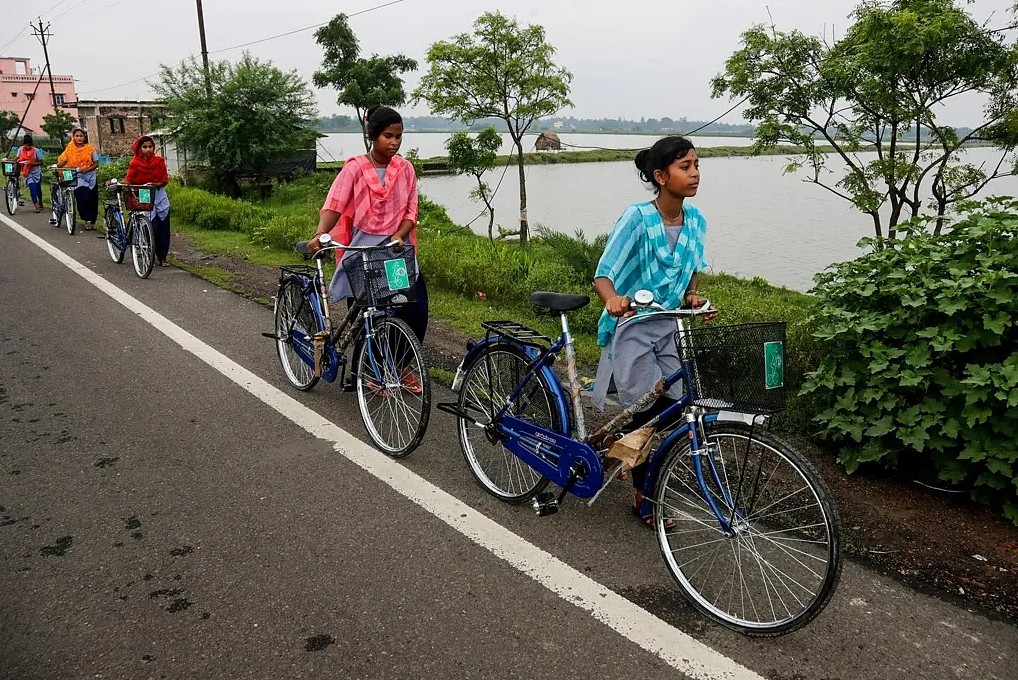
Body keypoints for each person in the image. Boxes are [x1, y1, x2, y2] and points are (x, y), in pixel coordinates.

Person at [591, 135, 709, 528]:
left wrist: (692, 296)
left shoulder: (697, 220)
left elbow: (691, 268)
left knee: (677, 406)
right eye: (685, 167)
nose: (694, 174)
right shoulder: (637, 218)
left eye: (696, 165)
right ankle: (645, 496)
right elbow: (603, 274)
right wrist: (613, 299)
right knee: (650, 410)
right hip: (633, 325)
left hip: (671, 324)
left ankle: (612, 441)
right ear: (661, 176)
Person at [308, 105, 428, 388]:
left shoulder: (406, 169)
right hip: (362, 249)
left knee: (411, 308)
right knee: (366, 313)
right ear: (373, 135)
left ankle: (397, 366)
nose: (394, 142)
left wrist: (400, 234)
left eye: (399, 136)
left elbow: (411, 211)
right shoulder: (355, 168)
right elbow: (335, 205)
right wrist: (320, 234)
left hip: (395, 251)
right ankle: (370, 369)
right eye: (388, 136)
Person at [124, 135, 171, 266]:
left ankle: (162, 257)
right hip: (143, 193)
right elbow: (129, 179)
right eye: (145, 147)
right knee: (149, 225)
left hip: (158, 193)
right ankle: (147, 251)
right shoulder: (135, 163)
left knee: (163, 227)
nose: (148, 149)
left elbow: (164, 180)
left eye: (150, 147)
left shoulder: (159, 161)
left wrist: (155, 184)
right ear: (139, 149)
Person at [57, 127, 100, 230]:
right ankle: (86, 220)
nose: (79, 138)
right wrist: (57, 166)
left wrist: (86, 170)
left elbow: (96, 164)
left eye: (81, 136)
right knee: (83, 197)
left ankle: (93, 221)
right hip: (77, 177)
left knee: (93, 199)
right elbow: (63, 161)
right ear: (73, 137)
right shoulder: (70, 149)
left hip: (90, 176)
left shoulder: (90, 149)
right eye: (77, 136)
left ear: (84, 137)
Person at [15, 134, 45, 212]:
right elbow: (17, 158)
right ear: (24, 144)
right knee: (32, 188)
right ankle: (36, 206)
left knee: (38, 190)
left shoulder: (36, 151)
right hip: (27, 173)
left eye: (29, 145)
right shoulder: (20, 149)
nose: (28, 147)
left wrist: (32, 164)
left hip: (36, 172)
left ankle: (40, 202)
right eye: (26, 145)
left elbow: (41, 162)